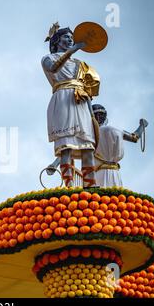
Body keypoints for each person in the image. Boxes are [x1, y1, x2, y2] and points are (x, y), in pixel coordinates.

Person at [41, 22, 100, 188]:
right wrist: (72, 50)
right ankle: (69, 185)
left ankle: (90, 184)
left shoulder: (80, 64)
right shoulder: (48, 58)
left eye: (71, 38)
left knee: (87, 145)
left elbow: (87, 89)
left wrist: (91, 114)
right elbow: (53, 68)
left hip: (80, 101)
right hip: (63, 99)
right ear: (57, 40)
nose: (70, 40)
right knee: (66, 146)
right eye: (66, 37)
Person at [92, 104, 148, 187]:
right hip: (114, 172)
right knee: (116, 197)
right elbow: (134, 137)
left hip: (97, 172)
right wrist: (142, 126)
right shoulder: (115, 129)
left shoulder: (88, 133)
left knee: (99, 198)